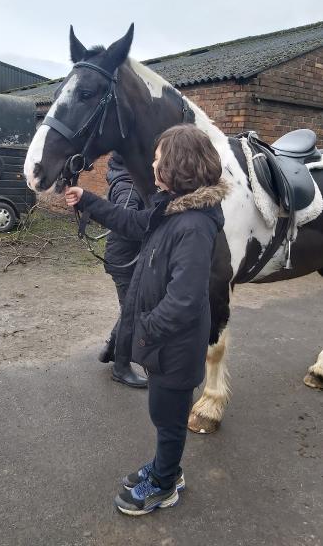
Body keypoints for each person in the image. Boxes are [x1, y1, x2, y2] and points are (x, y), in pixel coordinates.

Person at [65, 124, 229, 516]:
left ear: (177, 166)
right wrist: (87, 199)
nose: (152, 165)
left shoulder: (192, 225)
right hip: (166, 344)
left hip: (175, 346)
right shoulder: (171, 207)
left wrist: (144, 329)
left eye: (158, 160)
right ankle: (166, 468)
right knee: (164, 414)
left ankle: (165, 482)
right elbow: (133, 224)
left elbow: (185, 300)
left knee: (167, 418)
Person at [99, 152, 147, 389]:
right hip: (125, 262)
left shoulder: (123, 179)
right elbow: (126, 222)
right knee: (132, 313)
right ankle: (121, 368)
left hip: (124, 259)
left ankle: (110, 348)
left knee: (129, 308)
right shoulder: (129, 187)